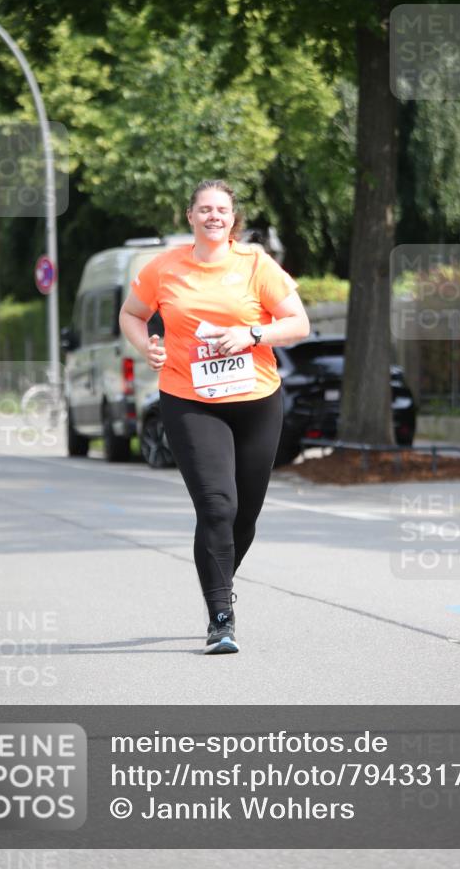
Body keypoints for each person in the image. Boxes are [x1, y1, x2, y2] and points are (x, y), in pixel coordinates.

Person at [119, 180, 310, 654]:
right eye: (204, 209)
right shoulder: (162, 269)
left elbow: (298, 324)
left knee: (244, 516)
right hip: (190, 399)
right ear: (190, 217)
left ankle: (219, 575)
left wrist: (252, 334)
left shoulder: (255, 264)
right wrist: (148, 347)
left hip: (256, 400)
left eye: (221, 210)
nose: (213, 216)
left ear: (232, 218)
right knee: (217, 507)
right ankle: (220, 617)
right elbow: (131, 315)